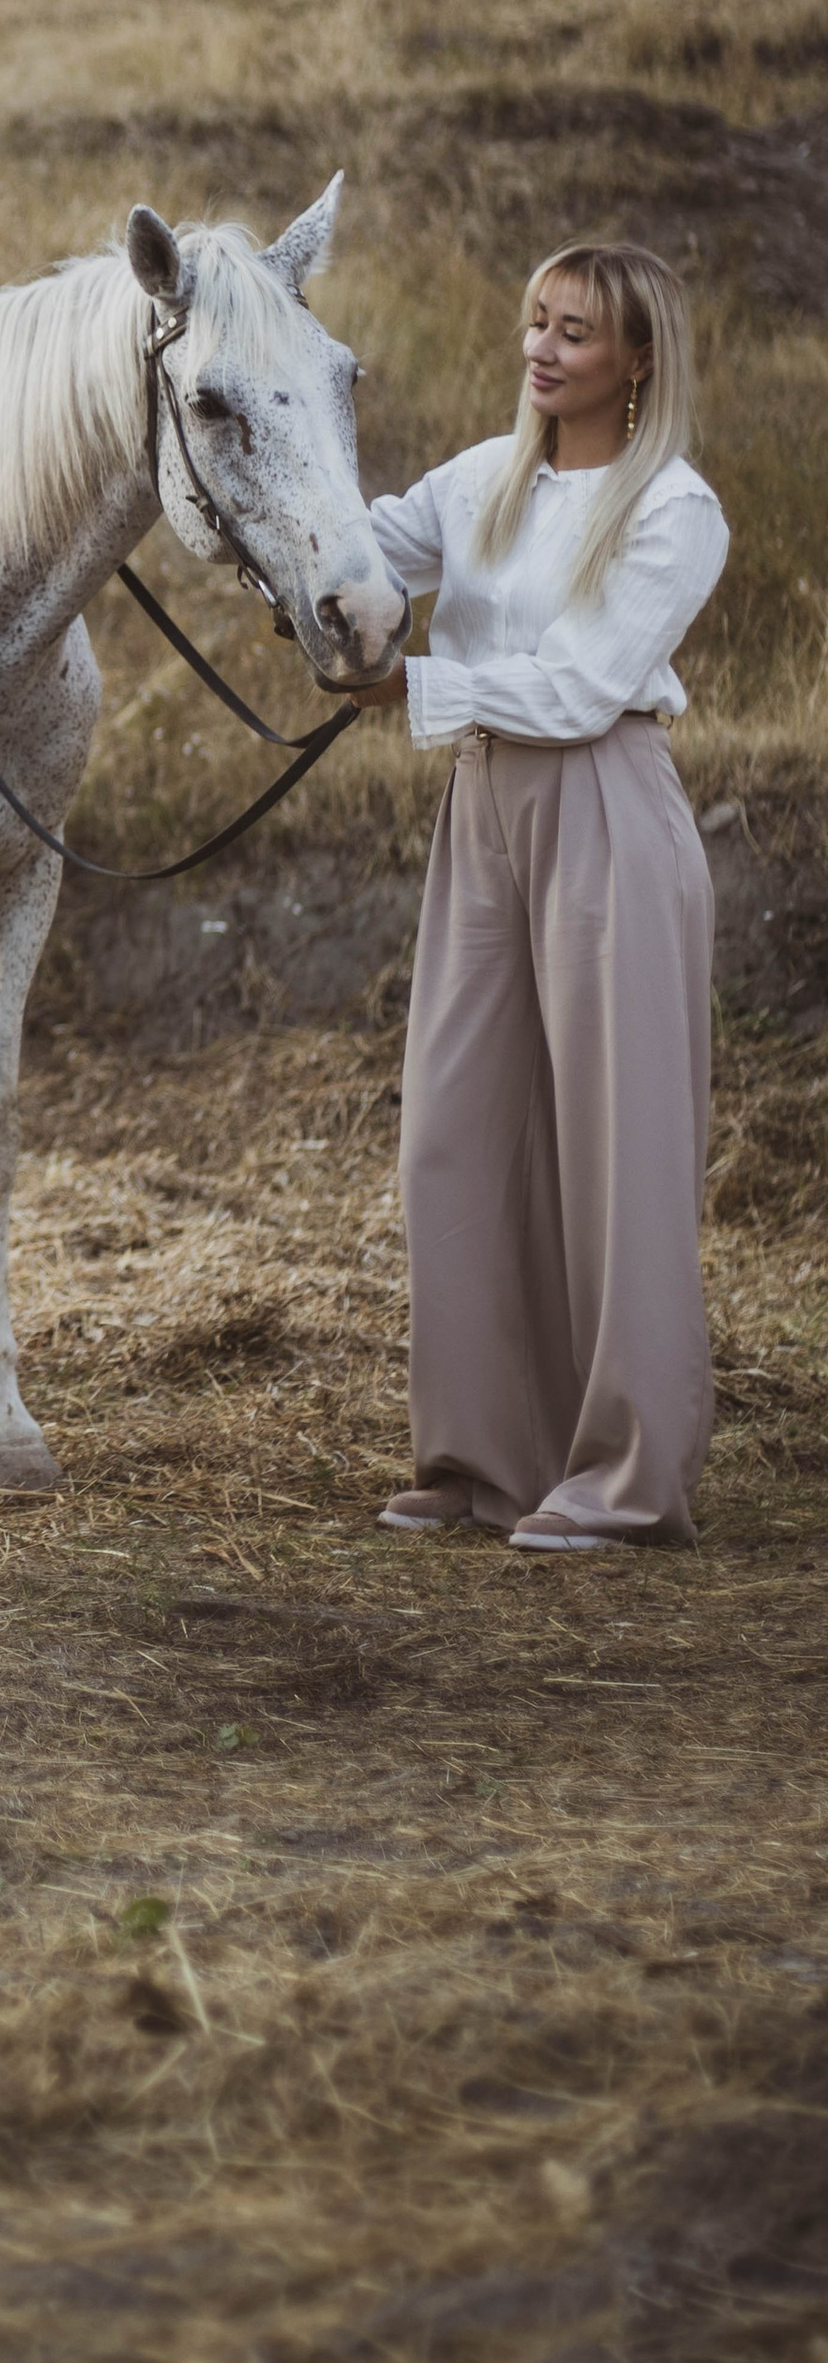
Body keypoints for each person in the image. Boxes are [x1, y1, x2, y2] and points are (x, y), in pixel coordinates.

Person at [362, 241, 728, 1555]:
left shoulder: (672, 508)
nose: (543, 348)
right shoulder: (480, 479)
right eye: (536, 322)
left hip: (604, 807)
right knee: (456, 1131)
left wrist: (406, 685)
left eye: (574, 332)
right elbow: (357, 551)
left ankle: (627, 1481)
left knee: (617, 1148)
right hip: (481, 808)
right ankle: (482, 1463)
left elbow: (581, 689)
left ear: (634, 361)